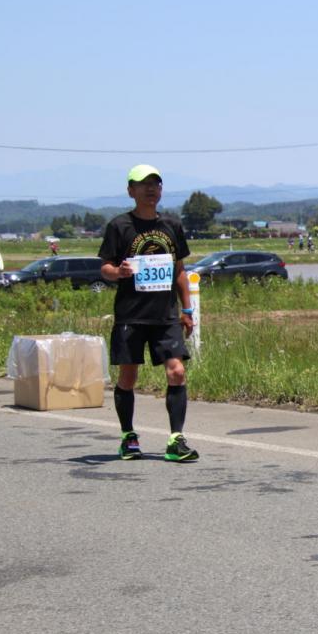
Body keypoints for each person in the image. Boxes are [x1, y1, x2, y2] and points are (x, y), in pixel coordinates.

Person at [98, 165, 199, 462]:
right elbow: (104, 268)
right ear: (131, 190)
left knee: (177, 372)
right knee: (128, 377)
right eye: (143, 184)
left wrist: (187, 309)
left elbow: (180, 271)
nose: (151, 189)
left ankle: (175, 440)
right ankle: (128, 436)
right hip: (131, 315)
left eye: (156, 183)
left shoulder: (171, 225)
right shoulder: (120, 226)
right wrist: (118, 271)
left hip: (165, 314)